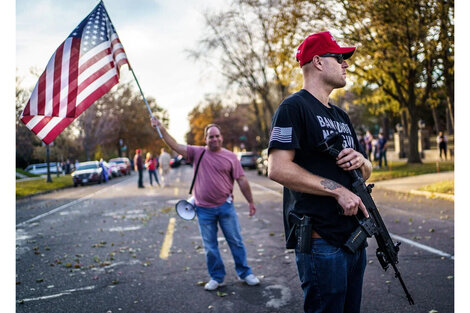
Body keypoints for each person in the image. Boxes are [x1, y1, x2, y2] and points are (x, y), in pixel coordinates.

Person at [267, 31, 372, 313]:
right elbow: (277, 168)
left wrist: (362, 160)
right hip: (321, 243)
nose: (346, 64)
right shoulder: (293, 107)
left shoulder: (341, 116)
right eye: (339, 58)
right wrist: (337, 191)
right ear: (318, 62)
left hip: (354, 237)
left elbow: (366, 172)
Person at [150, 117, 260, 291]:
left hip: (225, 207)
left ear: (221, 137)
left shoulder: (231, 157)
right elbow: (175, 146)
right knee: (210, 247)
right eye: (211, 137)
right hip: (203, 210)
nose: (214, 139)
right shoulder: (197, 153)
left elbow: (242, 180)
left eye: (217, 136)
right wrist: (161, 128)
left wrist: (251, 202)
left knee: (236, 242)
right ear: (205, 139)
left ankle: (245, 273)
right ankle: (217, 277)